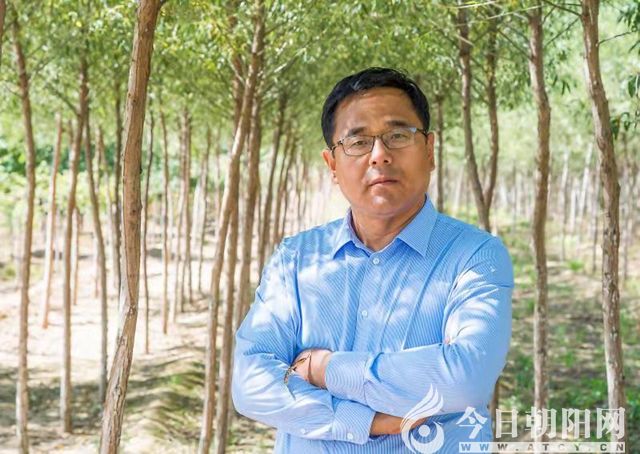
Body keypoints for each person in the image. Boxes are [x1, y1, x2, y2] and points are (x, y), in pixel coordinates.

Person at [232, 67, 513, 453]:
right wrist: (368, 421)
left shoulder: (475, 256)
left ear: (430, 150)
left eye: (398, 136)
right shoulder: (296, 260)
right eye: (358, 142)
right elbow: (249, 383)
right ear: (332, 165)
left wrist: (324, 369)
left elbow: (466, 379)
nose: (380, 156)